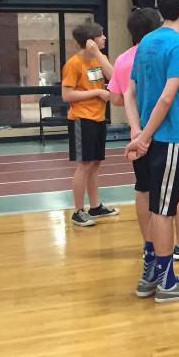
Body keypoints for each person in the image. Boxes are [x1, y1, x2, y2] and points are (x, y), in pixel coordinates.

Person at [124, 0, 179, 303]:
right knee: (164, 210)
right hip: (166, 138)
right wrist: (145, 136)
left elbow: (129, 93)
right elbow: (167, 96)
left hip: (146, 137)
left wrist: (136, 131)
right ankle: (168, 283)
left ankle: (150, 275)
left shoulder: (146, 42)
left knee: (152, 204)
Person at [108, 7, 162, 252]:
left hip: (137, 134)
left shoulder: (122, 59)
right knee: (176, 191)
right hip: (165, 132)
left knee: (143, 188)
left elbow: (117, 99)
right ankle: (177, 244)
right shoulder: (162, 54)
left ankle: (148, 244)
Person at [62, 21, 118, 227]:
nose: (104, 38)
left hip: (98, 118)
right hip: (81, 119)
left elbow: (114, 77)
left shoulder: (100, 59)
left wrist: (99, 56)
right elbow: (66, 95)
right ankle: (78, 211)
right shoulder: (74, 64)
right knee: (84, 165)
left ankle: (95, 206)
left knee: (95, 164)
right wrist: (96, 92)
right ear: (89, 41)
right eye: (101, 35)